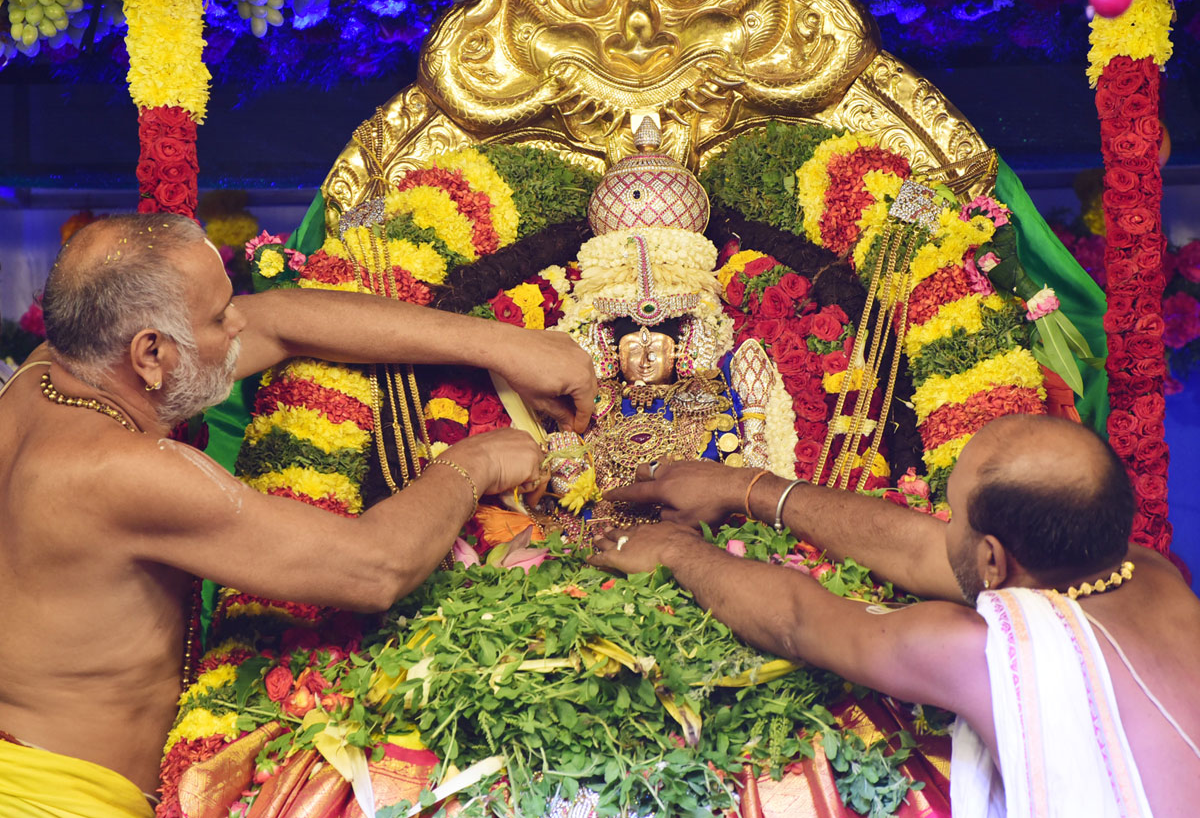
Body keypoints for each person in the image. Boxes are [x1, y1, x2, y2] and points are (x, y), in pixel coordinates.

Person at [0, 213, 596, 818]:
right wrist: (476, 462)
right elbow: (373, 568)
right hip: (59, 800)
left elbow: (279, 319)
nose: (240, 323)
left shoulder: (50, 373)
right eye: (217, 319)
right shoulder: (122, 471)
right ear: (150, 353)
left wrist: (506, 345)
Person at [590, 414, 1200, 816]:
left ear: (992, 557)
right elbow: (921, 550)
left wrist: (676, 551)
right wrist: (747, 487)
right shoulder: (1146, 570)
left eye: (954, 514)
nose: (942, 525)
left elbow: (800, 621)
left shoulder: (981, 651)